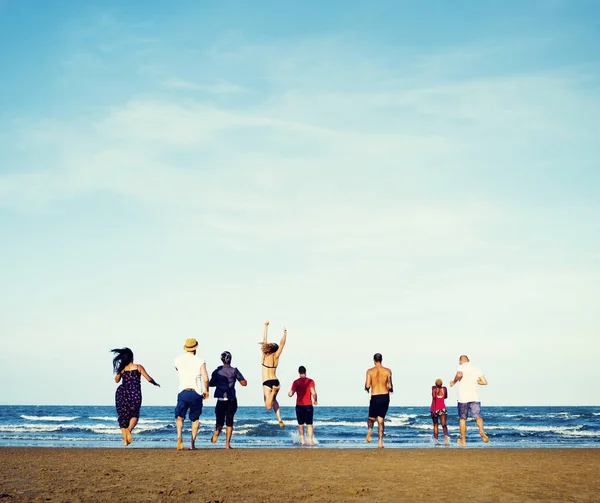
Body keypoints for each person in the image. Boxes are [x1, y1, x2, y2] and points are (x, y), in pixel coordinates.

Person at [111, 347, 160, 446]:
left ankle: (125, 440)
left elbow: (116, 380)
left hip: (122, 393)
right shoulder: (138, 367)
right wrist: (155, 383)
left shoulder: (122, 369)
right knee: (134, 415)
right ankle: (129, 430)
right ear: (131, 357)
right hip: (135, 393)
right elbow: (149, 378)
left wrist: (120, 370)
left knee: (123, 416)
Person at [174, 338, 209, 451]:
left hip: (183, 391)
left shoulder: (178, 359)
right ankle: (192, 444)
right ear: (195, 348)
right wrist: (206, 390)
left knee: (180, 417)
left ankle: (179, 437)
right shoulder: (200, 361)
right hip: (196, 392)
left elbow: (177, 369)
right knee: (195, 419)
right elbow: (206, 378)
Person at [209, 351, 247, 449]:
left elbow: (210, 383)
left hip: (221, 399)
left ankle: (217, 431)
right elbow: (244, 383)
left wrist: (219, 383)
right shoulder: (234, 371)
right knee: (230, 421)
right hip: (231, 399)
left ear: (222, 360)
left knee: (220, 420)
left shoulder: (217, 371)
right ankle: (227, 444)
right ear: (231, 359)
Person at [450, 354, 489, 446]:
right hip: (474, 397)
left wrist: (454, 382)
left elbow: (459, 374)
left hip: (463, 398)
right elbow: (484, 382)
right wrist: (475, 381)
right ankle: (482, 431)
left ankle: (463, 440)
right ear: (469, 360)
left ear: (460, 361)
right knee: (478, 416)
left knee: (463, 419)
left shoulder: (461, 367)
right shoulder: (476, 369)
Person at [260, 320, 287, 428]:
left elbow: (264, 341)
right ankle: (279, 418)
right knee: (274, 400)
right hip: (275, 381)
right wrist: (285, 333)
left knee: (267, 406)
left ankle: (274, 391)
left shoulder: (264, 356)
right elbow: (282, 344)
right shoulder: (276, 357)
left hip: (267, 382)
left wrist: (265, 327)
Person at [364, 353, 393, 448]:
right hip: (384, 396)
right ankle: (380, 442)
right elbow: (390, 385)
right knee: (381, 419)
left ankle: (370, 431)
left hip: (375, 396)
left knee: (371, 418)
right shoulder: (388, 371)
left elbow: (367, 385)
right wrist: (390, 390)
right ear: (381, 360)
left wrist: (367, 388)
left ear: (374, 360)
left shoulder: (370, 371)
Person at [288, 365, 318, 446]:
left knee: (300, 424)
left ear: (298, 372)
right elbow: (313, 393)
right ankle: (310, 441)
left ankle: (303, 441)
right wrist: (315, 400)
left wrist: (289, 393)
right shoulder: (310, 381)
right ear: (305, 372)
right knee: (309, 424)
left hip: (299, 406)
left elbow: (290, 394)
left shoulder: (296, 382)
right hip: (308, 405)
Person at [430, 378, 449, 443]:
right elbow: (446, 397)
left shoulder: (434, 388)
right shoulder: (444, 389)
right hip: (442, 408)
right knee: (444, 424)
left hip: (434, 408)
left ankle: (436, 440)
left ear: (435, 384)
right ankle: (446, 437)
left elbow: (434, 397)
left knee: (435, 425)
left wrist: (434, 410)